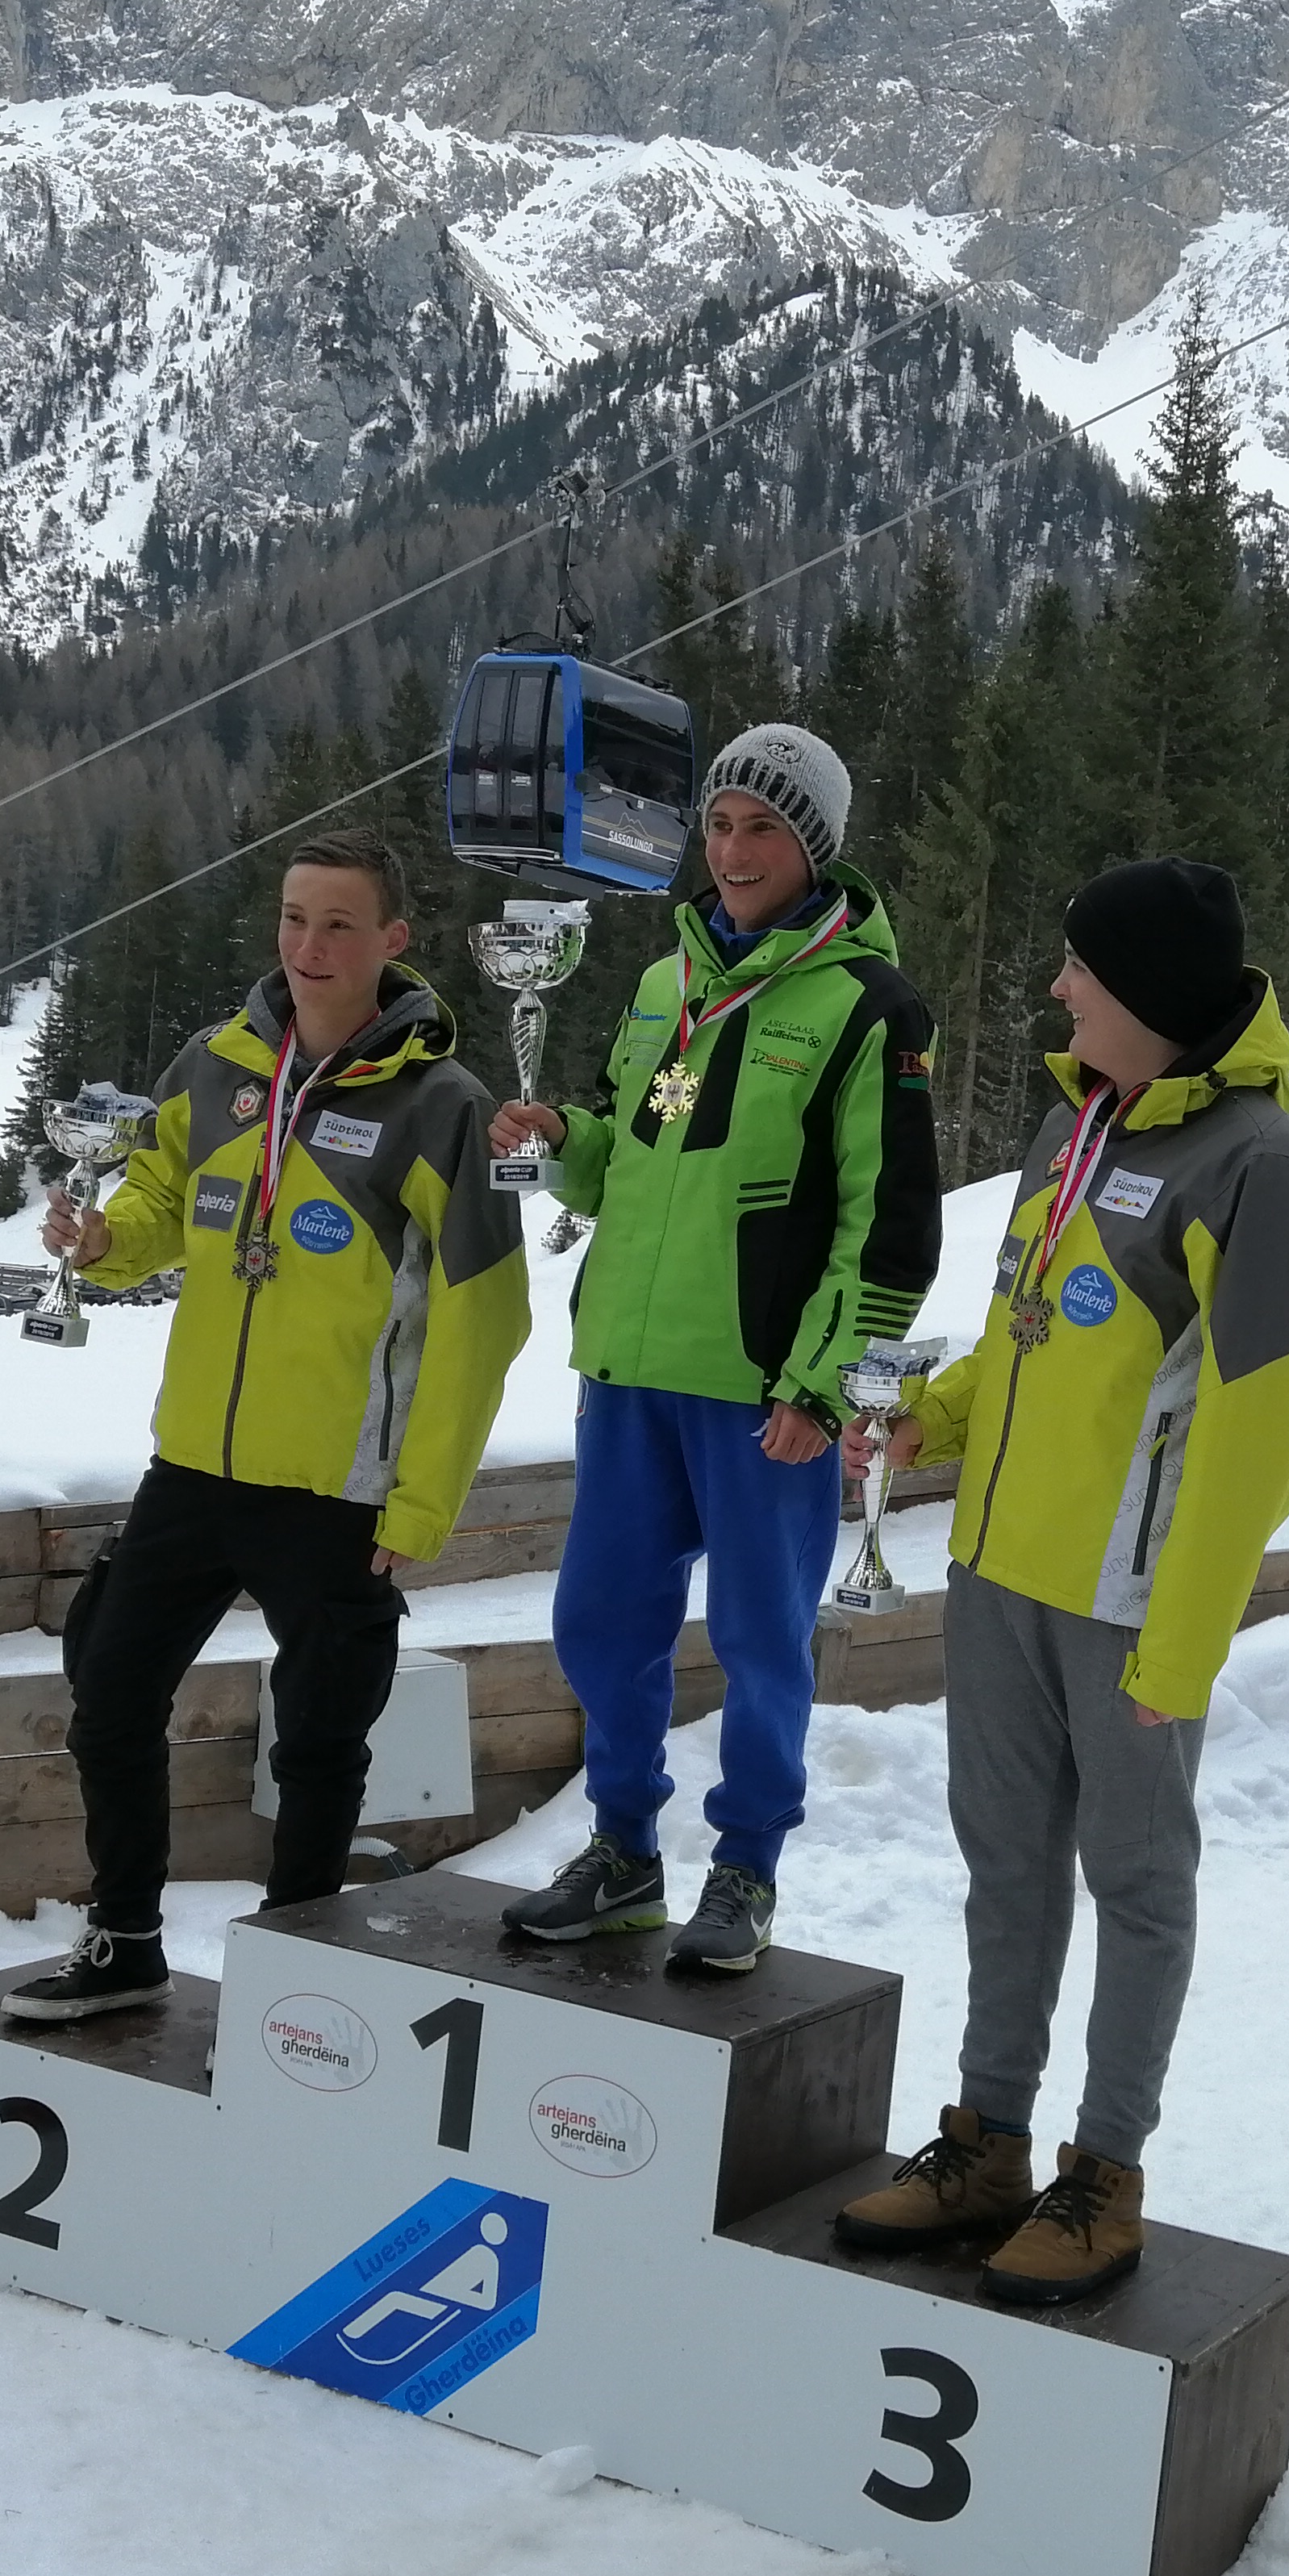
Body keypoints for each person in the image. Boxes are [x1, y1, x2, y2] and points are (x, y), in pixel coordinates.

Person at [832, 858, 1289, 2304]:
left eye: (1081, 970)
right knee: (1005, 1867)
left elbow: (1264, 1431)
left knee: (1137, 1883)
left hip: (1128, 1608)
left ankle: (1103, 2171)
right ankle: (987, 2143)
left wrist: (1182, 1646)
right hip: (999, 1574)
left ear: (1148, 991)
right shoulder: (1077, 1123)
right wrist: (932, 1425)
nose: (1057, 989)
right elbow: (1023, 1334)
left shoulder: (1261, 1167)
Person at [1, 835, 531, 2023]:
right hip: (195, 1461)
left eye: (340, 924)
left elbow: (483, 1320)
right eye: (295, 918)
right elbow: (156, 1196)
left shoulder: (442, 1106)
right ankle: (124, 1941)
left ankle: (297, 1976)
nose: (309, 946)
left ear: (393, 940)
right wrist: (106, 1243)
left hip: (337, 1486)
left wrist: (422, 1500)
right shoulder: (218, 1064)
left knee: (322, 1742)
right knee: (109, 1692)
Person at [486, 722, 941, 1976]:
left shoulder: (870, 1006)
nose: (735, 851)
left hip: (761, 1392)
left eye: (765, 829)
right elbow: (629, 1160)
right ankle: (623, 1851)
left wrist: (820, 1384)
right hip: (630, 1372)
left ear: (815, 846)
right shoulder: (666, 984)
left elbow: (889, 1228)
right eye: (721, 825)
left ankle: (746, 1868)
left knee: (758, 1639)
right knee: (601, 1624)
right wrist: (559, 1139)